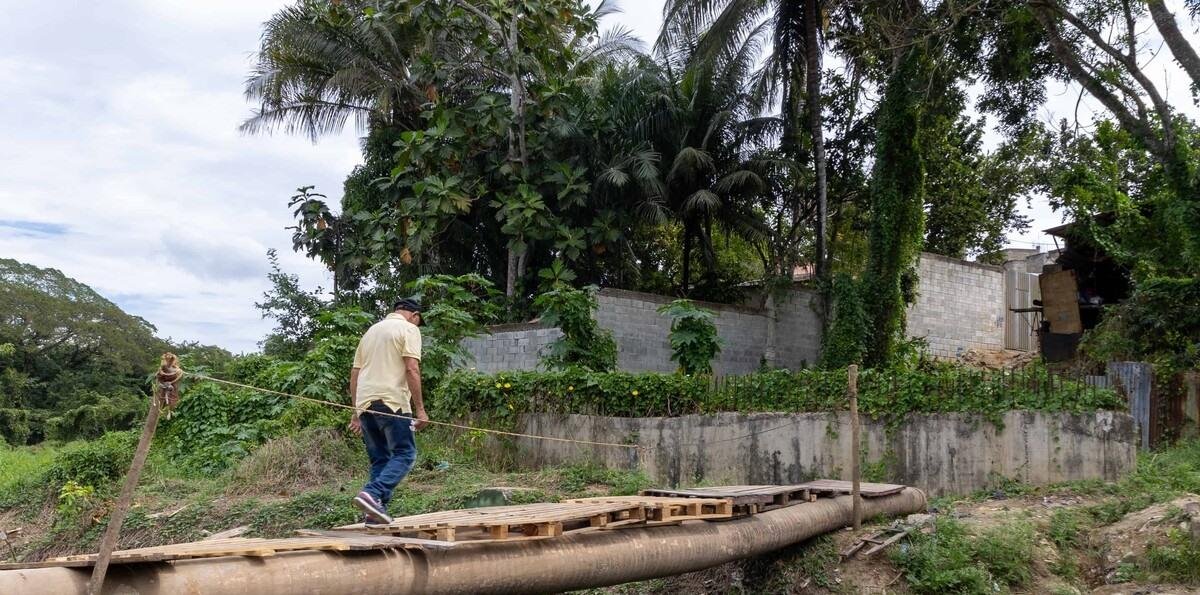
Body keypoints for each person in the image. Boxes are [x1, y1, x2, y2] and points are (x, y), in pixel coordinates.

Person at [347, 297, 429, 524]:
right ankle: (372, 493)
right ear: (414, 316)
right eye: (418, 320)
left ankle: (373, 514)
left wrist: (356, 412)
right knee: (405, 453)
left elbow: (355, 375)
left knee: (380, 459)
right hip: (392, 402)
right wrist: (420, 410)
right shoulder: (409, 329)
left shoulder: (370, 332)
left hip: (365, 404)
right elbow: (411, 368)